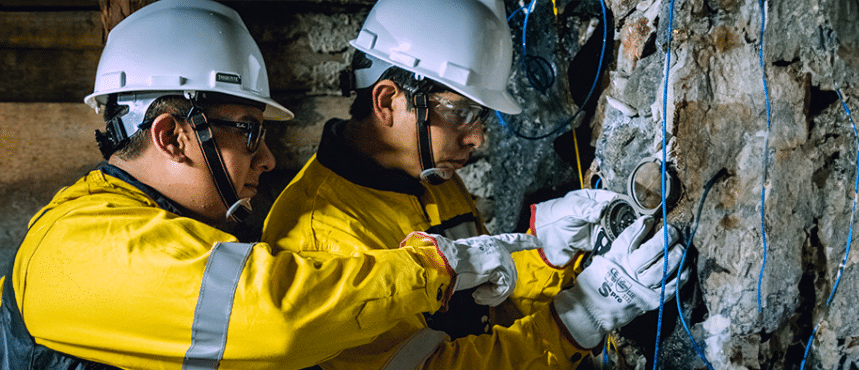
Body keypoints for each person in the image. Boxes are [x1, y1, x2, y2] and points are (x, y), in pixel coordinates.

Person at [0, 1, 539, 369]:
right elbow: (278, 314)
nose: (267, 159)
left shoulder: (155, 224)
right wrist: (445, 264)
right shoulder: (75, 248)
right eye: (249, 132)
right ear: (172, 136)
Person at [261, 0, 688, 368]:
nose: (477, 137)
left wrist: (545, 253)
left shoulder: (429, 173)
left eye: (480, 115)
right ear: (389, 100)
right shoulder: (318, 237)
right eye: (462, 112)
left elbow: (486, 306)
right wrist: (582, 318)